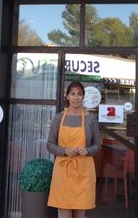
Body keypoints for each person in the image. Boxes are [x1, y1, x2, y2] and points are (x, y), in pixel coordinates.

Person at [47, 82, 101, 218]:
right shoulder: (59, 117)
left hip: (83, 172)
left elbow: (98, 145)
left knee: (80, 212)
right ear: (67, 96)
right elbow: (50, 144)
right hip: (63, 171)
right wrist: (64, 150)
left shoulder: (91, 118)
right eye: (73, 94)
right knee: (63, 211)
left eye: (79, 94)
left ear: (83, 97)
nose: (76, 97)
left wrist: (88, 151)